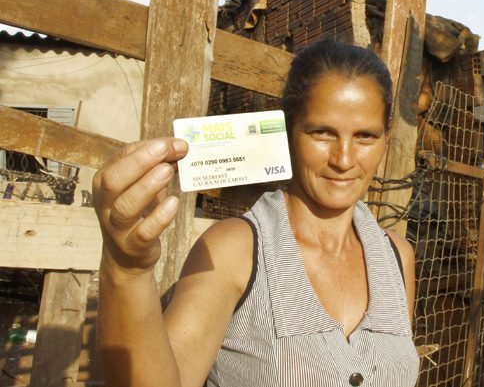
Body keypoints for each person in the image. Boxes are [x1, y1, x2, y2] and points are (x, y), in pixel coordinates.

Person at [92, 39, 420, 386]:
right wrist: (126, 270)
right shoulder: (235, 250)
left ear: (386, 138)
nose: (343, 159)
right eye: (322, 132)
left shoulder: (397, 257)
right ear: (290, 132)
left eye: (365, 136)